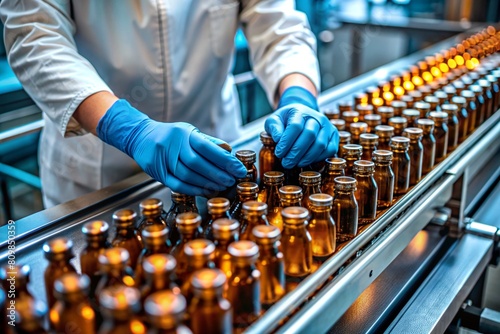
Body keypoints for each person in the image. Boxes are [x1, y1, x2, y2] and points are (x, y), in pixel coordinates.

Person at [0, 0, 338, 207]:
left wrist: (298, 94)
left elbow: (279, 26)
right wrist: (129, 130)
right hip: (97, 165)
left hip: (216, 153)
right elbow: (35, 37)